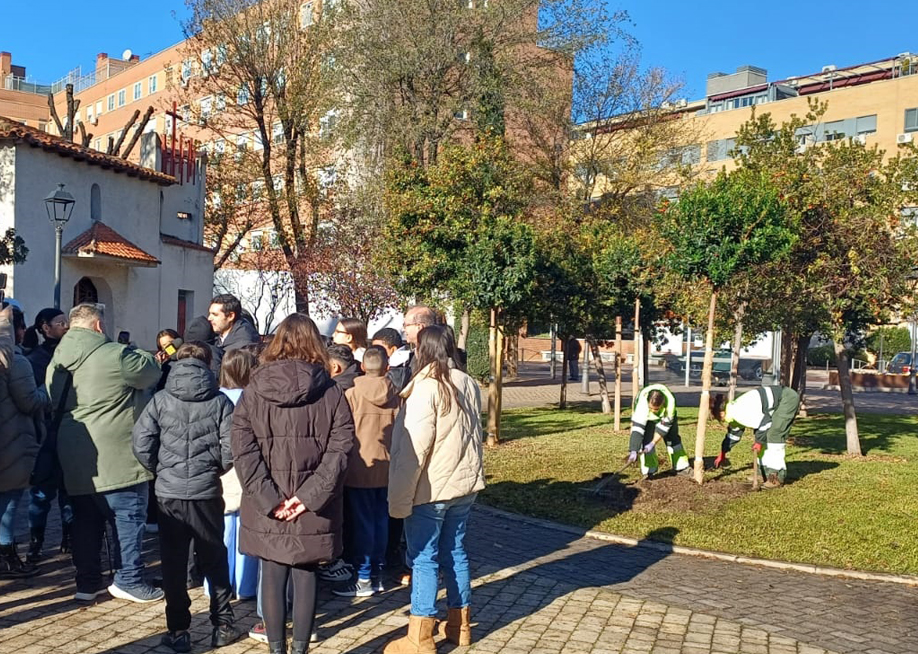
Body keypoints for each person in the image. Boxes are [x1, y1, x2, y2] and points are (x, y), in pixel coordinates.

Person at [232, 313, 354, 654]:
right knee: (306, 572)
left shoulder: (253, 390)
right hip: (313, 503)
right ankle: (299, 649)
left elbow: (243, 450)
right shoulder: (332, 392)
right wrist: (308, 497)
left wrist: (270, 498)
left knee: (272, 572)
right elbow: (340, 451)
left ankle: (275, 648)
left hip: (268, 503)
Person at [47, 303, 164, 603]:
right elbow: (150, 372)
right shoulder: (115, 355)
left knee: (85, 520)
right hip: (116, 455)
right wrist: (136, 350)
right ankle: (129, 579)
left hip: (73, 455)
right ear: (98, 326)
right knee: (128, 516)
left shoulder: (56, 360)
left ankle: (87, 583)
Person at [132, 342, 240, 651]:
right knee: (215, 557)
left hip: (169, 491)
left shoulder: (160, 400)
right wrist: (214, 468)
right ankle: (223, 624)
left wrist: (161, 469)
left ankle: (178, 631)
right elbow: (231, 447)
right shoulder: (220, 401)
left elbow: (141, 442)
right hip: (206, 492)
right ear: (207, 364)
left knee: (173, 563)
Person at [386, 325, 485, 653]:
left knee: (424, 558)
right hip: (463, 485)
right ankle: (460, 626)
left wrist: (399, 499)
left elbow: (415, 450)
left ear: (422, 350)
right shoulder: (468, 383)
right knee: (455, 552)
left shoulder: (426, 388)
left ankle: (421, 636)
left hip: (431, 488)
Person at [334, 346, 399, 598]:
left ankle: (362, 577)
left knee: (361, 523)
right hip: (389, 467)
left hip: (359, 467)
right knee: (382, 520)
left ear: (362, 366)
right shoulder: (398, 396)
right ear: (387, 368)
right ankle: (378, 573)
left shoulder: (350, 395)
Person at [0, 306, 49, 577]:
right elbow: (29, 401)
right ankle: (6, 554)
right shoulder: (15, 361)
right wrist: (48, 388)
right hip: (13, 442)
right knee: (9, 500)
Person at [22, 307, 72, 562]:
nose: (65, 326)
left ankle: (69, 536)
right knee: (41, 492)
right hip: (45, 433)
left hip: (70, 430)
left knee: (69, 490)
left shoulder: (74, 354)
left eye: (67, 322)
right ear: (45, 327)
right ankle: (35, 541)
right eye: (60, 322)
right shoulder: (35, 360)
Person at [214, 348, 259, 601]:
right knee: (247, 526)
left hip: (221, 468)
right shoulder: (255, 398)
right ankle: (246, 586)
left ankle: (217, 586)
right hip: (248, 468)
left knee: (221, 528)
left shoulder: (214, 398)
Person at [711, 385, 800, 488]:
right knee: (763, 437)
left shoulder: (738, 412)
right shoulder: (731, 413)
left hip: (786, 398)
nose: (719, 420)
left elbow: (765, 423)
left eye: (717, 418)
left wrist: (758, 442)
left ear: (721, 413)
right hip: (776, 403)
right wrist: (723, 452)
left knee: (774, 435)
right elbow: (733, 435)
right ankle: (762, 473)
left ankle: (776, 477)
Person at [627, 384, 690, 477]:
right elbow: (637, 429)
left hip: (665, 416)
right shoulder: (642, 405)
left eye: (656, 409)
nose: (653, 411)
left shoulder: (670, 404)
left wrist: (653, 443)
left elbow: (663, 428)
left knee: (672, 439)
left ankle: (681, 467)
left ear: (663, 403)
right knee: (646, 441)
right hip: (647, 419)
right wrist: (634, 449)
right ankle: (649, 471)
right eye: (650, 408)